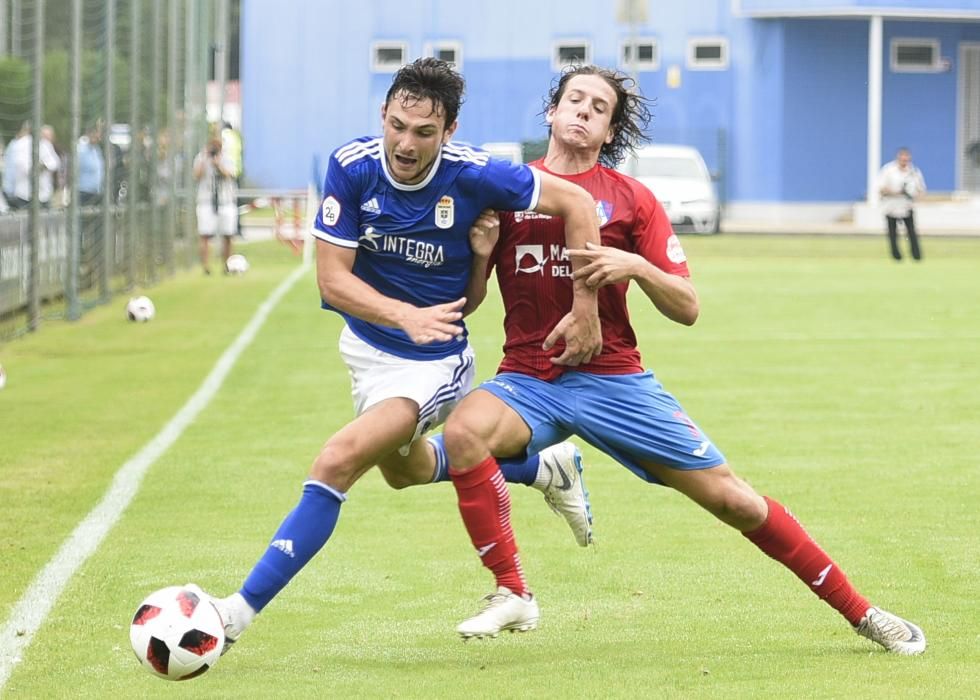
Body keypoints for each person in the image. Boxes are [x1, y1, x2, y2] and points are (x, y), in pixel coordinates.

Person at [439, 65, 926, 656]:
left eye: (599, 107)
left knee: (734, 501)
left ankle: (865, 613)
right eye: (574, 99)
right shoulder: (511, 193)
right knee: (460, 433)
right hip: (528, 378)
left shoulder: (632, 199)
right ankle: (513, 584)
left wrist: (638, 268)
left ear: (609, 129)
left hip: (615, 380)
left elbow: (688, 306)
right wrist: (481, 253)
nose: (584, 110)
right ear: (551, 112)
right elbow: (469, 302)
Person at [191, 57, 604, 651]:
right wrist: (402, 314)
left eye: (424, 132)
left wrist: (583, 303)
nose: (406, 143)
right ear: (383, 115)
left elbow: (578, 205)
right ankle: (543, 468)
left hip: (434, 359)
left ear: (450, 132)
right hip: (367, 349)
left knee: (337, 461)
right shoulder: (352, 167)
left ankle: (233, 615)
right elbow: (332, 281)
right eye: (398, 125)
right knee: (403, 471)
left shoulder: (476, 174)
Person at [193, 134, 239, 274]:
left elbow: (230, 174)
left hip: (225, 201)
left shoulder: (227, 158)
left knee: (228, 234)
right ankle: (206, 267)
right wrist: (205, 158)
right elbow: (197, 175)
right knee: (205, 235)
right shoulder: (201, 158)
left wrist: (218, 164)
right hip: (206, 201)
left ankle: (227, 265)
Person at [877, 147, 926, 261]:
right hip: (891, 206)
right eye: (902, 158)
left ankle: (916, 256)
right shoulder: (888, 170)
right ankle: (896, 256)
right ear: (898, 158)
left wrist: (913, 194)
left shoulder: (913, 171)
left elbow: (921, 189)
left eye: (906, 159)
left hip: (906, 206)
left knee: (911, 232)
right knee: (893, 234)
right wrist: (898, 192)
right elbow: (881, 188)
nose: (904, 161)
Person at [2, 121, 61, 210]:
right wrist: (36, 168)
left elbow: (55, 162)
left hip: (43, 194)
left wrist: (44, 165)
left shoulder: (44, 144)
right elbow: (21, 166)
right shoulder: (19, 145)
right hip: (24, 194)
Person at [77, 123, 105, 206]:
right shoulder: (81, 149)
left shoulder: (97, 149)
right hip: (83, 192)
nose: (99, 137)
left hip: (96, 191)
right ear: (89, 134)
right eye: (96, 134)